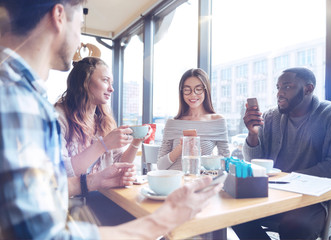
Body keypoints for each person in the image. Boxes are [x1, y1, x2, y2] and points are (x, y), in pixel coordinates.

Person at [0, 1, 222, 239]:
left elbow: (43, 190)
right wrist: (163, 221)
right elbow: (43, 234)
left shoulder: (31, 99)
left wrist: (96, 179)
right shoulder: (20, 102)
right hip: (82, 207)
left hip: (92, 198)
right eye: (81, 24)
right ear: (59, 15)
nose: (79, 41)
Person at [232, 67, 331, 239]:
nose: (279, 93)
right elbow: (256, 163)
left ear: (308, 89)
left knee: (296, 225)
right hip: (275, 195)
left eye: (287, 87)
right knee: (233, 211)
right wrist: (253, 135)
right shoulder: (270, 117)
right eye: (278, 87)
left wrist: (287, 179)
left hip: (317, 200)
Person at [55, 56, 149, 177]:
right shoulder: (58, 117)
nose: (112, 89)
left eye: (112, 83)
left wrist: (136, 142)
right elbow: (61, 172)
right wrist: (103, 144)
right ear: (84, 82)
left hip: (104, 192)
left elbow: (118, 163)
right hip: (74, 196)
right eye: (105, 80)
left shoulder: (104, 120)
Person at [157, 68, 230, 170]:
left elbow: (226, 165)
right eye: (187, 90)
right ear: (182, 93)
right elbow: (160, 167)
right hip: (173, 182)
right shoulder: (172, 123)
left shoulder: (218, 121)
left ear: (206, 90)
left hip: (200, 183)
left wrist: (198, 158)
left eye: (198, 89)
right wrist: (180, 148)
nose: (193, 94)